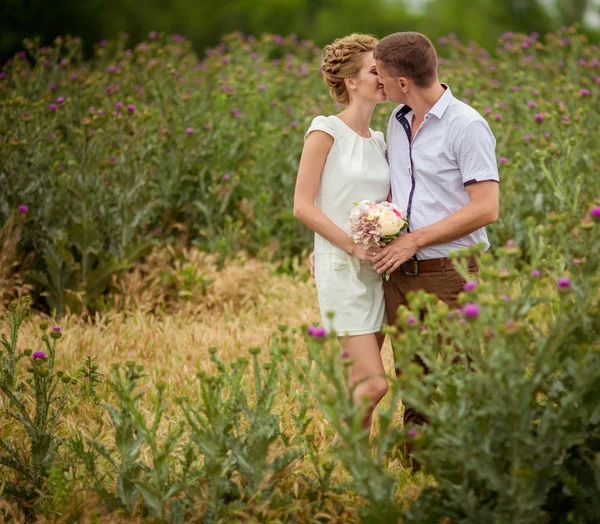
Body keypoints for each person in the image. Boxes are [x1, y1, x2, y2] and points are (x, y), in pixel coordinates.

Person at [372, 32, 500, 469]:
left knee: (457, 378)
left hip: (450, 272)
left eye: (383, 78)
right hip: (401, 274)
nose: (379, 85)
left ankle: (468, 480)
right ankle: (419, 477)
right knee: (415, 383)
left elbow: (486, 208)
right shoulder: (397, 120)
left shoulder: (467, 126)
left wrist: (415, 239)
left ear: (404, 81)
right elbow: (400, 190)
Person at [293, 33, 390, 435]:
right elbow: (303, 205)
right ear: (350, 81)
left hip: (376, 270)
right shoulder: (325, 130)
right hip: (342, 266)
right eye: (374, 71)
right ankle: (338, 456)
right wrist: (349, 246)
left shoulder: (382, 141)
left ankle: (355, 475)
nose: (383, 77)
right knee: (373, 383)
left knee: (358, 384)